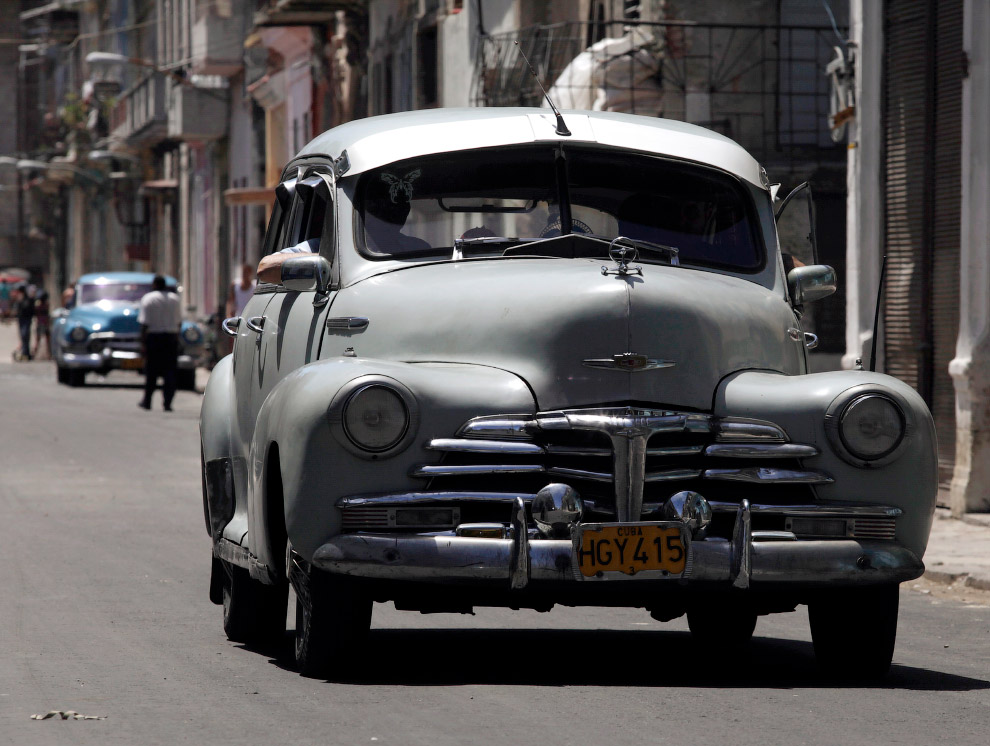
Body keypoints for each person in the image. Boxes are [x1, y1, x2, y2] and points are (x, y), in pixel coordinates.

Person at [137, 275, 182, 411]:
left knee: (151, 372)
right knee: (169, 372)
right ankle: (167, 403)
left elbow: (144, 324)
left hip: (154, 338)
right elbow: (179, 322)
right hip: (170, 338)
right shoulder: (175, 299)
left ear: (155, 285)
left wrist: (143, 343)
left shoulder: (148, 299)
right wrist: (177, 338)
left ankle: (147, 401)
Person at [12, 284, 34, 361]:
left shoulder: (28, 299)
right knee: (23, 336)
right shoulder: (19, 299)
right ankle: (25, 352)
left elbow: (30, 308)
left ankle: (26, 353)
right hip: (21, 319)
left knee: (25, 335)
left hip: (27, 319)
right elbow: (16, 309)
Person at [32, 290, 50, 360]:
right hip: (44, 323)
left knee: (38, 340)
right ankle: (48, 355)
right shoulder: (46, 305)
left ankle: (35, 354)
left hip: (40, 323)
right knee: (47, 341)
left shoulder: (38, 305)